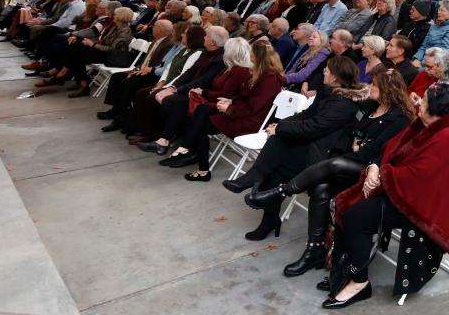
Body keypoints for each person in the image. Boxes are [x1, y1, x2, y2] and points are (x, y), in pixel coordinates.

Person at [244, 69, 413, 279]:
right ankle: (314, 249)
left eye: (376, 85)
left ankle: (282, 191)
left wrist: (359, 146)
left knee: (331, 164)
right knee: (320, 186)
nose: (371, 88)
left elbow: (378, 150)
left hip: (371, 169)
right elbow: (352, 133)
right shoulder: (371, 105)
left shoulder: (399, 119)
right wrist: (357, 143)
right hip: (349, 160)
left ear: (388, 90)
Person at [325, 82, 449, 309]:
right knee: (348, 206)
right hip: (402, 192)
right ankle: (346, 270)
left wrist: (381, 174)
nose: (419, 101)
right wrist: (374, 167)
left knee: (356, 217)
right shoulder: (426, 125)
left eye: (425, 100)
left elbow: (419, 176)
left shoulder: (448, 136)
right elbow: (391, 149)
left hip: (421, 205)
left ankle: (359, 282)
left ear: (434, 108)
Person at [223, 56, 366, 240]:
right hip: (312, 145)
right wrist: (280, 125)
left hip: (324, 157)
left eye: (327, 70)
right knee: (276, 159)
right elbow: (307, 114)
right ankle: (264, 204)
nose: (324, 71)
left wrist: (280, 128)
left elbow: (315, 126)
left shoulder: (343, 103)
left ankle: (257, 187)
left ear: (336, 77)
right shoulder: (329, 91)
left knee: (275, 164)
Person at [164, 40, 284, 180]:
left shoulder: (269, 78)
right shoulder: (261, 73)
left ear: (258, 56)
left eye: (251, 52)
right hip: (241, 112)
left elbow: (254, 107)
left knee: (200, 123)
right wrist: (231, 101)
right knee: (200, 114)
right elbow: (245, 96)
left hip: (250, 121)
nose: (249, 54)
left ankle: (196, 161)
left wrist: (229, 108)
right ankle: (189, 152)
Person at [412, 0, 449, 64]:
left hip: (436, 65)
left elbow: (442, 54)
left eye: (442, 10)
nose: (438, 12)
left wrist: (422, 63)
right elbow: (423, 46)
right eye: (439, 9)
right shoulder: (434, 26)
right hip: (423, 60)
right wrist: (417, 59)